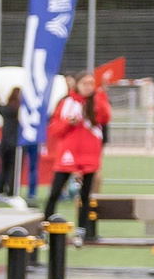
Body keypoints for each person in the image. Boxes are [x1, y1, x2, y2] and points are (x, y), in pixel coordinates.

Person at [41, 70, 107, 238]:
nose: (88, 87)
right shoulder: (66, 103)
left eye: (91, 84)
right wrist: (68, 123)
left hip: (89, 154)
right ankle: (45, 226)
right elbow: (54, 130)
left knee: (85, 194)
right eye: (84, 83)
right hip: (68, 154)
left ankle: (82, 230)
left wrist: (101, 95)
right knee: (55, 191)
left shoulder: (97, 100)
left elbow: (105, 117)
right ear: (77, 84)